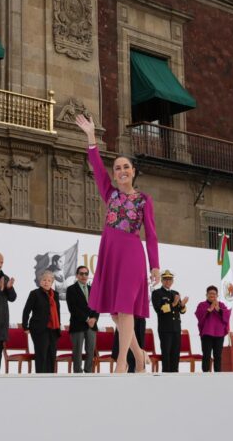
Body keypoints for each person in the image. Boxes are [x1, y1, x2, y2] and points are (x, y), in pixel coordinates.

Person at [75, 114, 160, 373]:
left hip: (133, 256)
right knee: (115, 313)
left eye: (126, 167)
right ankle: (140, 354)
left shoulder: (144, 199)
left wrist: (155, 266)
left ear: (133, 172)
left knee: (125, 309)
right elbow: (97, 166)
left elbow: (152, 235)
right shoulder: (109, 193)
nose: (121, 171)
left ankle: (123, 362)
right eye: (118, 168)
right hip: (110, 255)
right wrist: (91, 137)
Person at [22, 270, 61, 373]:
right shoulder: (35, 294)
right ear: (40, 281)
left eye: (49, 280)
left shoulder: (55, 295)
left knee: (52, 354)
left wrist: (59, 326)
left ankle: (50, 378)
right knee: (41, 354)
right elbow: (26, 311)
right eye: (44, 280)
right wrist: (25, 326)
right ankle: (40, 378)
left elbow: (58, 311)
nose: (46, 282)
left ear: (52, 282)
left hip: (53, 329)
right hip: (39, 329)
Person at [152, 270, 188, 372]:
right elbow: (159, 309)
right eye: (165, 279)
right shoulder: (157, 293)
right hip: (165, 328)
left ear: (172, 281)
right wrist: (173, 304)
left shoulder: (175, 293)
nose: (168, 282)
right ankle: (166, 375)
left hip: (176, 328)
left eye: (170, 279)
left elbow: (182, 311)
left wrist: (182, 305)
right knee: (166, 353)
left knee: (176, 353)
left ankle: (175, 374)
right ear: (162, 281)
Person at [66, 265, 99, 373]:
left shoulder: (92, 289)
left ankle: (88, 372)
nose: (84, 276)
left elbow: (97, 306)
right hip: (78, 325)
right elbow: (73, 308)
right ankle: (77, 374)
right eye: (81, 273)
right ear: (77, 275)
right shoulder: (71, 289)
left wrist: (94, 318)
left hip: (92, 325)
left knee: (90, 351)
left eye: (86, 274)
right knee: (77, 351)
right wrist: (86, 319)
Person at [196, 285, 230, 372]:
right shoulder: (202, 305)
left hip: (219, 334)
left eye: (214, 294)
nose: (212, 295)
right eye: (210, 293)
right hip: (207, 334)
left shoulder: (221, 305)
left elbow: (227, 315)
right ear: (206, 295)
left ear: (217, 295)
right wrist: (209, 310)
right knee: (206, 355)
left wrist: (218, 309)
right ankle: (205, 373)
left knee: (218, 355)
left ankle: (218, 374)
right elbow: (199, 315)